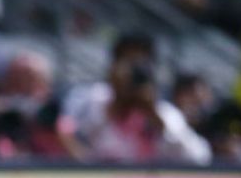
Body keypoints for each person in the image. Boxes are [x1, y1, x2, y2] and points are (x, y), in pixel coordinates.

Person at [60, 33, 212, 165]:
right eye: (127, 62)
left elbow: (199, 157)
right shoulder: (93, 99)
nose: (133, 72)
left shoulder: (164, 112)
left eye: (140, 64)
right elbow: (73, 141)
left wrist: (154, 116)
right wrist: (115, 104)